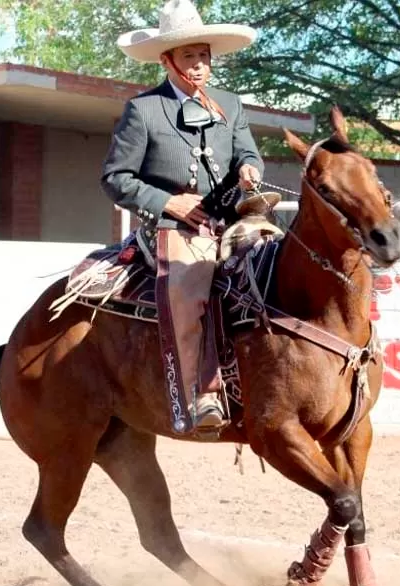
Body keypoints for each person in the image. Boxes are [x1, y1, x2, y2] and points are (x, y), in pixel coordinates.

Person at [100, 0, 279, 437]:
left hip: (232, 218)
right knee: (187, 289)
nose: (199, 66)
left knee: (280, 263)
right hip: (173, 227)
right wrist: (168, 203)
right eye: (188, 57)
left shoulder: (230, 105)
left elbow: (248, 152)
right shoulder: (143, 111)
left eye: (204, 56)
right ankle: (202, 394)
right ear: (167, 61)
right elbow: (115, 178)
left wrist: (250, 169)